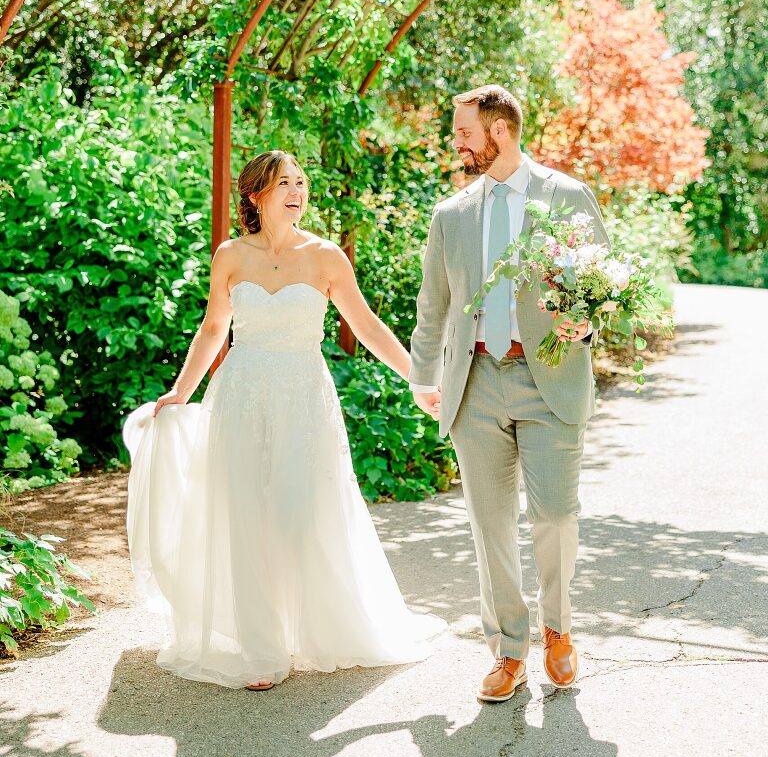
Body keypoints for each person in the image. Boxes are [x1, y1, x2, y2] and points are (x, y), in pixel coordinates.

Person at [124, 150, 445, 690]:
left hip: (303, 396)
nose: (297, 191)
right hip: (240, 394)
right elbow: (212, 331)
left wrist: (420, 380)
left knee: (298, 513)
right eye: (283, 184)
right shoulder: (230, 256)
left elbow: (365, 325)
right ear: (256, 195)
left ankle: (315, 631)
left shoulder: (325, 257)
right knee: (244, 514)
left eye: (301, 182)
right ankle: (261, 649)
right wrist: (182, 391)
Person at [409, 84, 609, 701]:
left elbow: (602, 281)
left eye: (464, 131)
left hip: (549, 378)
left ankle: (558, 632)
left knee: (553, 515)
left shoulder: (567, 195)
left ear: (499, 131)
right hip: (476, 383)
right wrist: (424, 377)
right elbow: (433, 304)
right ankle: (507, 649)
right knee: (489, 526)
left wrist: (588, 320)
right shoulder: (452, 213)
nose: (457, 142)